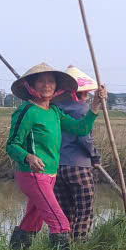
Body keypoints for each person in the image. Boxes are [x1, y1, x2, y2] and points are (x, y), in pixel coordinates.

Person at [5, 62, 103, 250]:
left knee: (33, 219)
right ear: (31, 86)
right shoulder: (27, 111)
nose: (47, 85)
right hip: (33, 174)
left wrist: (94, 107)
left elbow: (80, 129)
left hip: (51, 174)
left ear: (57, 87)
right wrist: (28, 156)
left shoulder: (54, 112)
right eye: (41, 81)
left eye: (51, 82)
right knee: (60, 222)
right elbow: (12, 145)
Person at [53, 66, 102, 241]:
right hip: (78, 166)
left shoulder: (52, 109)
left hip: (57, 166)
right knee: (84, 209)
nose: (87, 97)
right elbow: (85, 138)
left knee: (65, 209)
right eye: (86, 93)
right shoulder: (81, 110)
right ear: (79, 93)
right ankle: (80, 244)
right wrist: (94, 156)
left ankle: (64, 243)